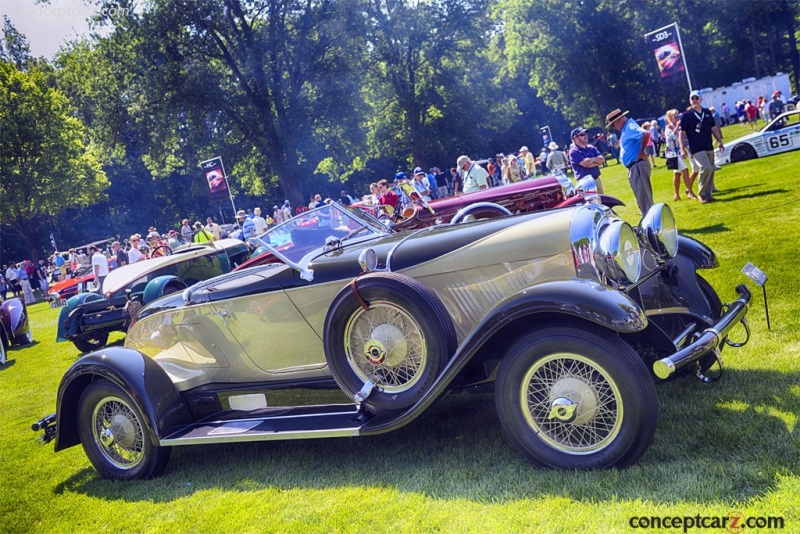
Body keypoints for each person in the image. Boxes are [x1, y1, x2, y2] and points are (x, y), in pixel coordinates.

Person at [606, 108, 654, 215]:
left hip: (637, 166)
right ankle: (649, 223)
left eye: (613, 125)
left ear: (618, 120)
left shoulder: (630, 127)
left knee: (645, 200)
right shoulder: (627, 127)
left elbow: (646, 134)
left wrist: (641, 151)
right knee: (642, 198)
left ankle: (651, 225)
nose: (614, 128)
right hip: (635, 167)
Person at [679, 90, 724, 204]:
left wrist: (719, 141)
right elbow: (682, 133)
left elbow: (713, 128)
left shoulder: (707, 112)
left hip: (708, 145)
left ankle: (708, 194)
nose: (694, 100)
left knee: (711, 169)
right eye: (692, 98)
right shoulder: (686, 115)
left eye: (696, 98)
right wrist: (682, 148)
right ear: (690, 100)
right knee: (706, 168)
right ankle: (701, 193)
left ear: (701, 99)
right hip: (696, 147)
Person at [664, 109, 697, 201]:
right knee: (685, 170)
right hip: (672, 153)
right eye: (675, 116)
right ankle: (690, 192)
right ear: (670, 118)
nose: (677, 117)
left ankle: (676, 195)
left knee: (677, 174)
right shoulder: (668, 127)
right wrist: (676, 127)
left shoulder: (679, 126)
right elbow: (669, 139)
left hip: (678, 152)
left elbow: (683, 138)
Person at [568, 127, 606, 193]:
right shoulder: (573, 151)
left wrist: (592, 159)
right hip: (585, 184)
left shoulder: (591, 147)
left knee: (602, 202)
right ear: (575, 138)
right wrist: (598, 162)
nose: (585, 136)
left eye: (585, 134)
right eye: (582, 134)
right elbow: (587, 165)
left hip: (597, 180)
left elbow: (602, 159)